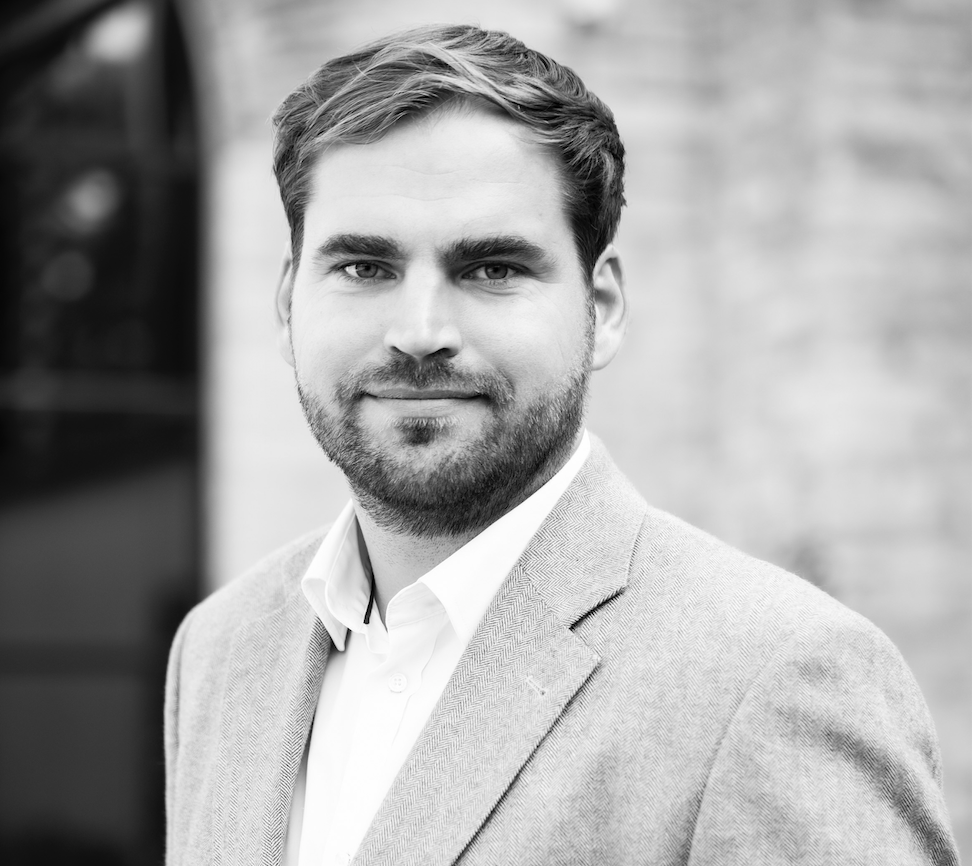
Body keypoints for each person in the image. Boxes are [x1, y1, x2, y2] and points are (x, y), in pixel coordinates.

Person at [164, 23, 958, 866]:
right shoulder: (218, 649)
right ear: (288, 304)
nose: (420, 331)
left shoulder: (778, 679)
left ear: (601, 307)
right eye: (364, 267)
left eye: (492, 268)